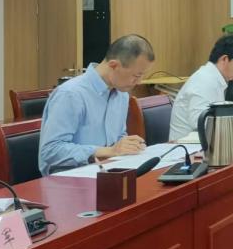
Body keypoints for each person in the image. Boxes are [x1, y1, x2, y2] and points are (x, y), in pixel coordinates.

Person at [38, 34, 155, 176]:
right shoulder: (71, 94)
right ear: (114, 65)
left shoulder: (121, 94)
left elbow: (117, 137)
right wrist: (107, 151)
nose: (139, 82)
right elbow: (50, 151)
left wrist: (128, 145)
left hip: (107, 173)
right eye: (136, 76)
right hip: (68, 178)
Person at [169, 34, 233, 141]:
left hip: (202, 142)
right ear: (224, 59)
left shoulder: (213, 77)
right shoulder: (204, 80)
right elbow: (200, 122)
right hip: (186, 147)